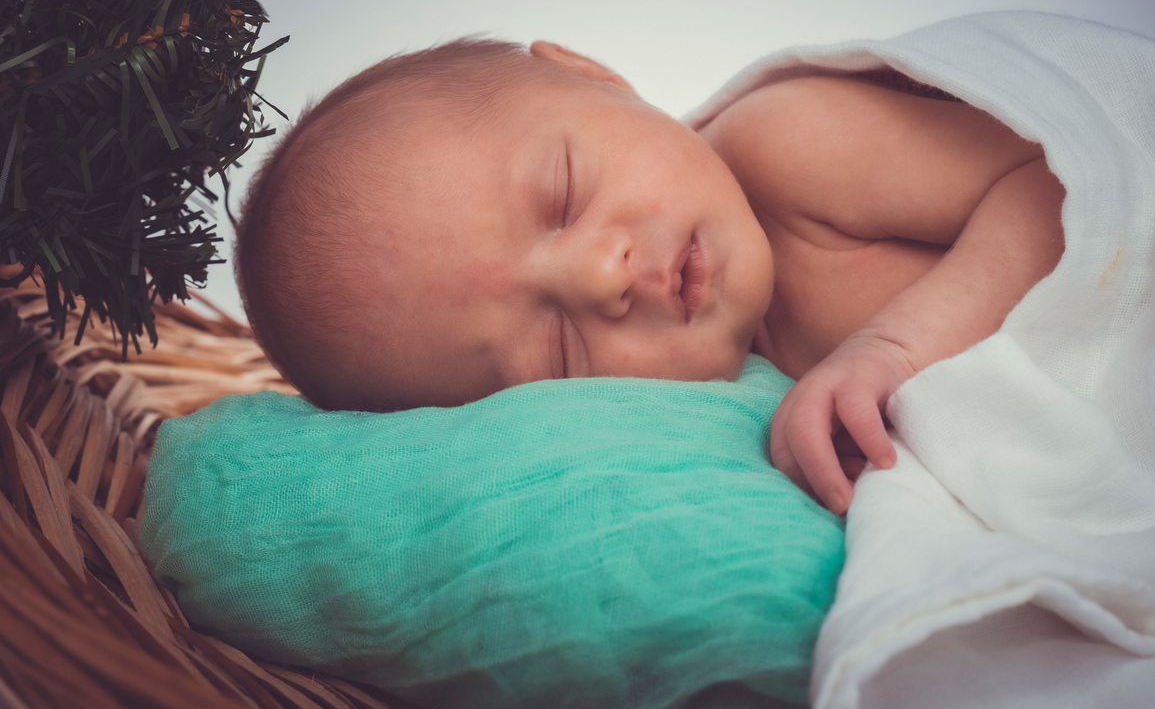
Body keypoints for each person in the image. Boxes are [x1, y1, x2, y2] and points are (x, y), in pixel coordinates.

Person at [235, 38, 1065, 515]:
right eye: (558, 348)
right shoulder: (716, 423)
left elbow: (1059, 182)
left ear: (593, 75)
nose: (605, 277)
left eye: (563, 194)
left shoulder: (785, 144)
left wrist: (894, 350)